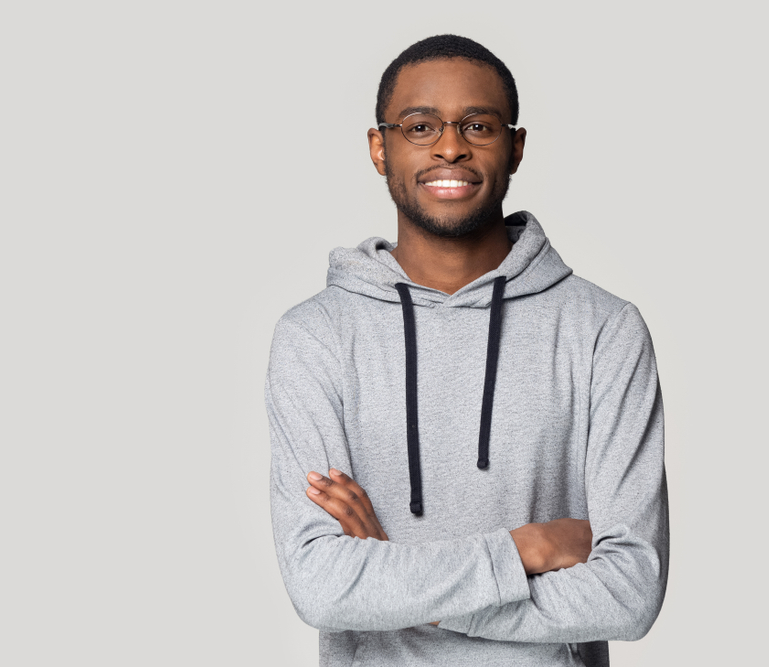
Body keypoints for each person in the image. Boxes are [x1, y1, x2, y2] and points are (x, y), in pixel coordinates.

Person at [266, 34, 669, 667]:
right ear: (379, 148)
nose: (450, 146)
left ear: (515, 146)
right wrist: (526, 549)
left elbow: (630, 593)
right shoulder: (315, 337)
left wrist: (395, 578)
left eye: (477, 125)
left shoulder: (603, 329)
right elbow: (321, 586)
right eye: (420, 126)